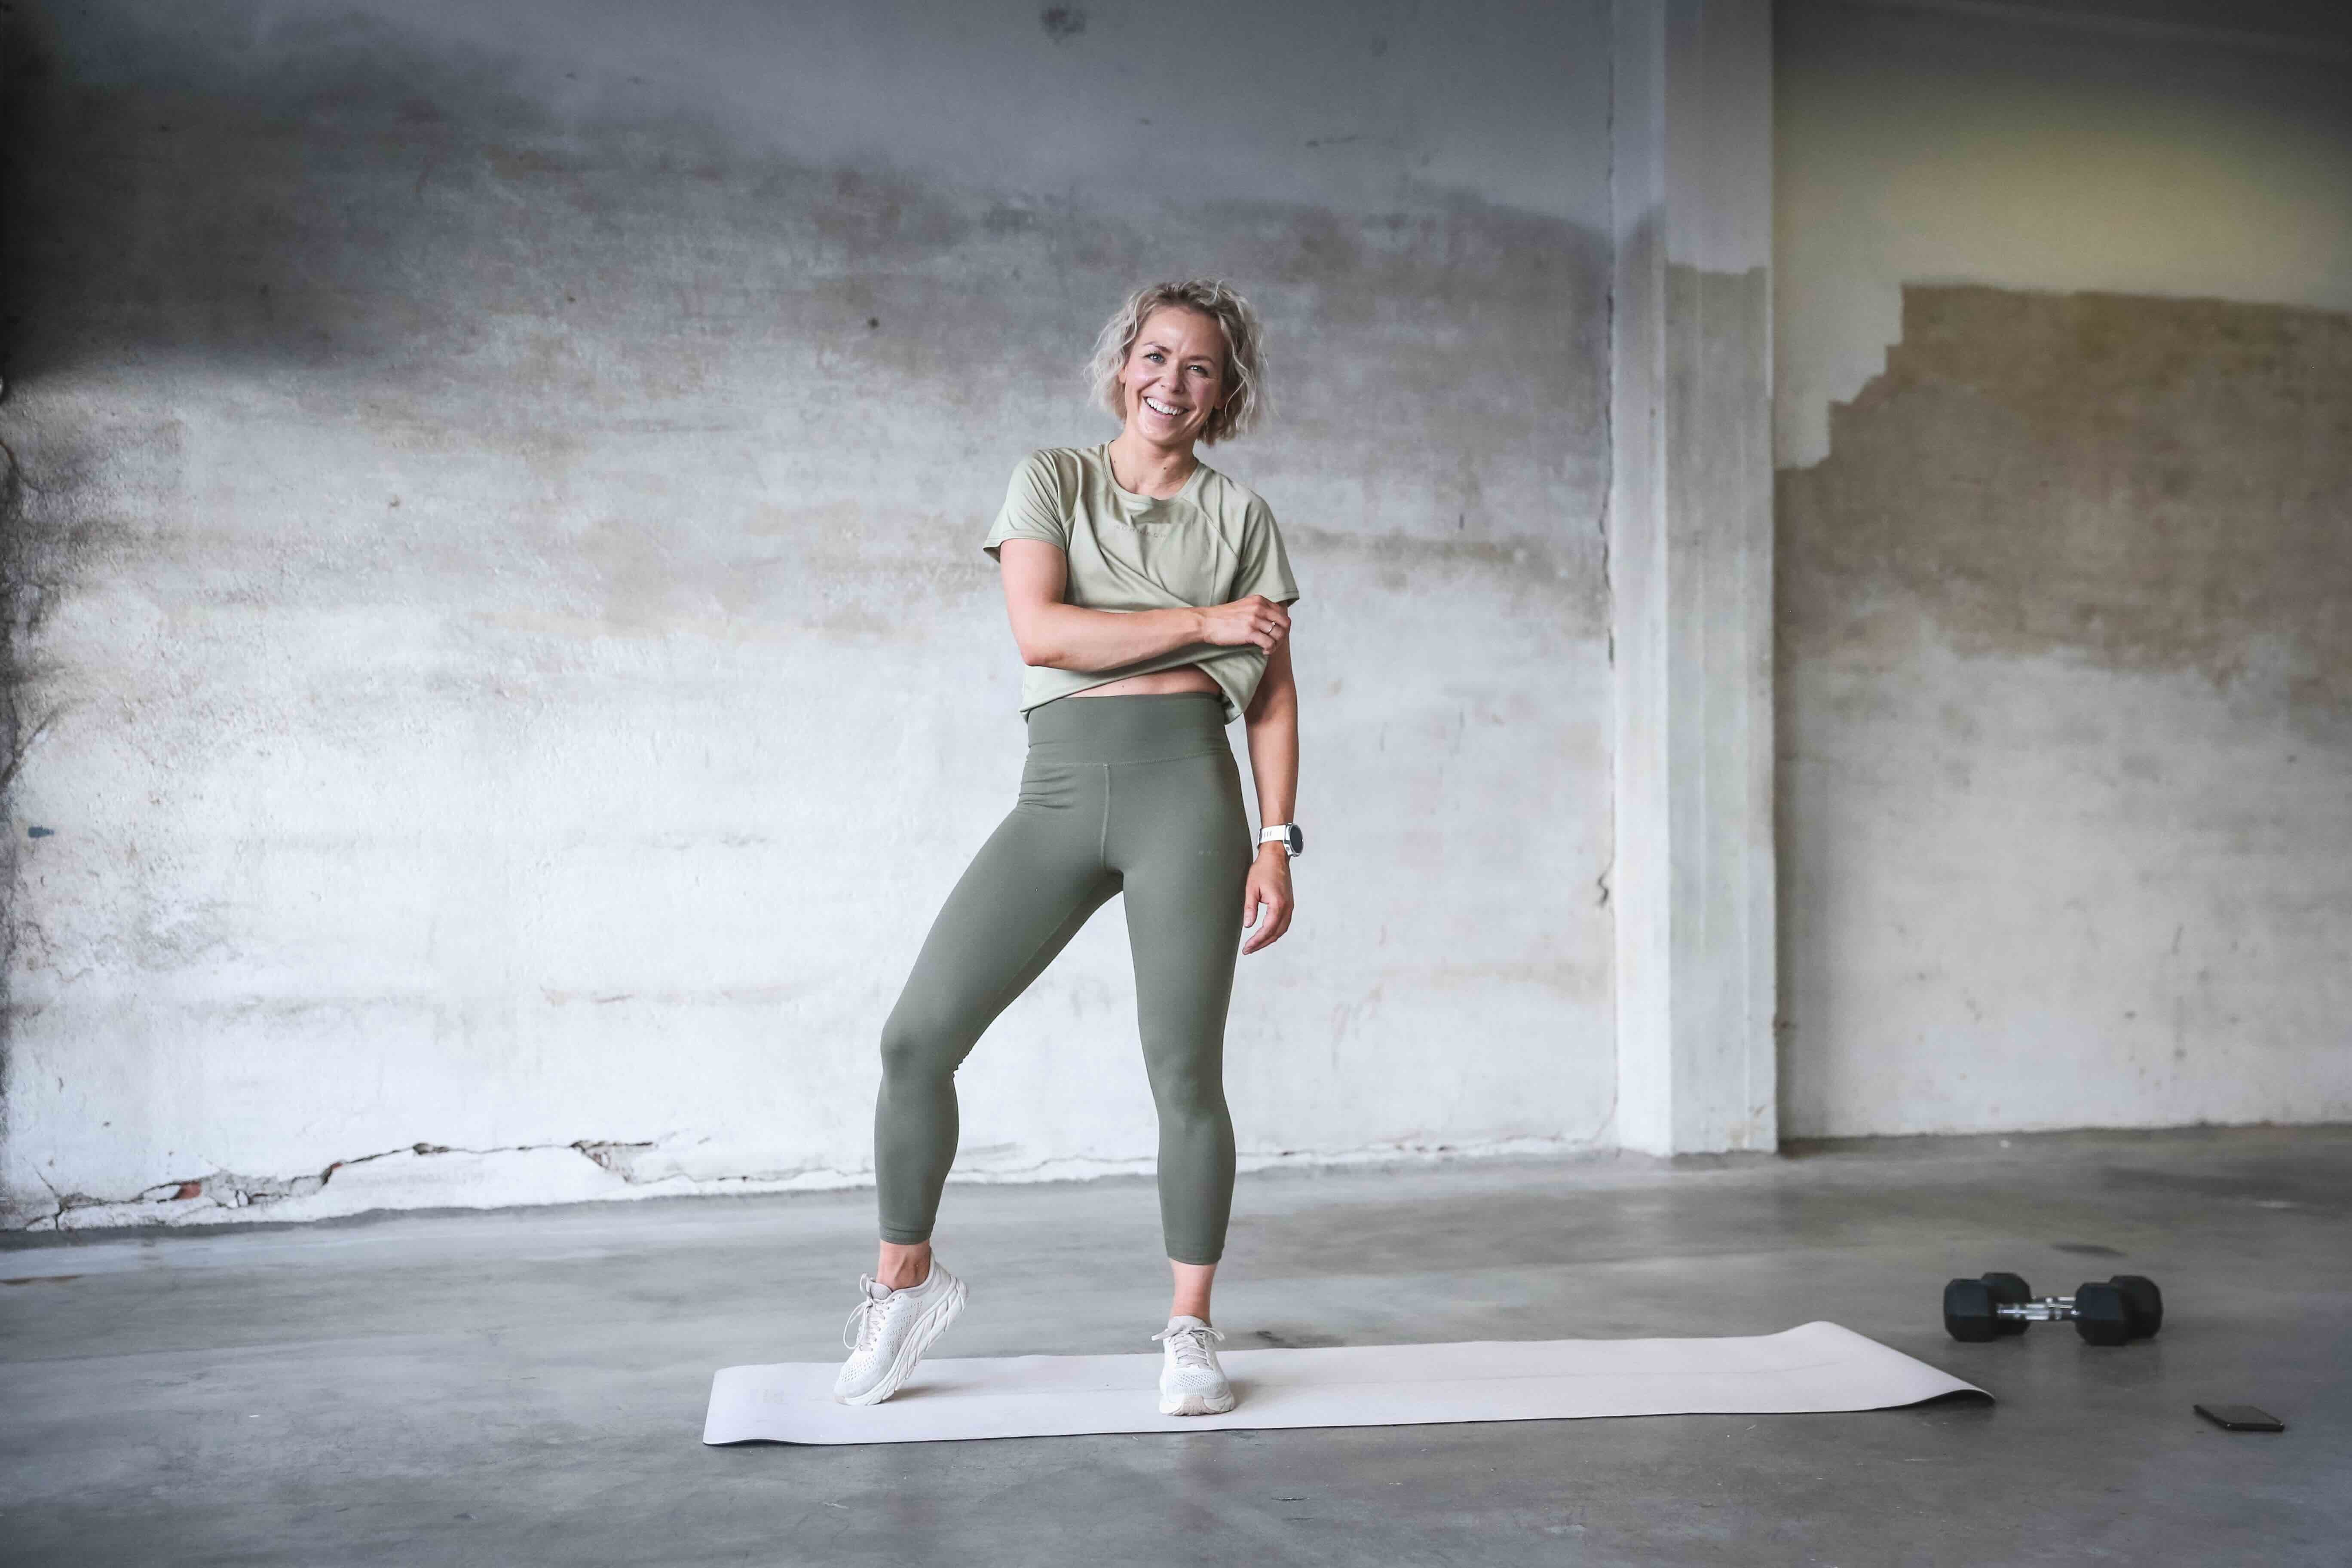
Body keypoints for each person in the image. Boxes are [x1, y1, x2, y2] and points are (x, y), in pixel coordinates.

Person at [833, 279, 1304, 1417]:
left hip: (1188, 792)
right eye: (1154, 356)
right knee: (916, 1040)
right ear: (1122, 364)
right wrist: (1202, 621)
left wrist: (1277, 841)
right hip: (1057, 791)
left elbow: (1274, 699)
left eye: (1199, 367)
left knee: (1184, 1072)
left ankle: (1190, 1329)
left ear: (1225, 390)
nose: (1171, 382)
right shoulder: (1050, 480)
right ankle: (906, 1285)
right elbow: (1042, 630)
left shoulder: (1241, 518)